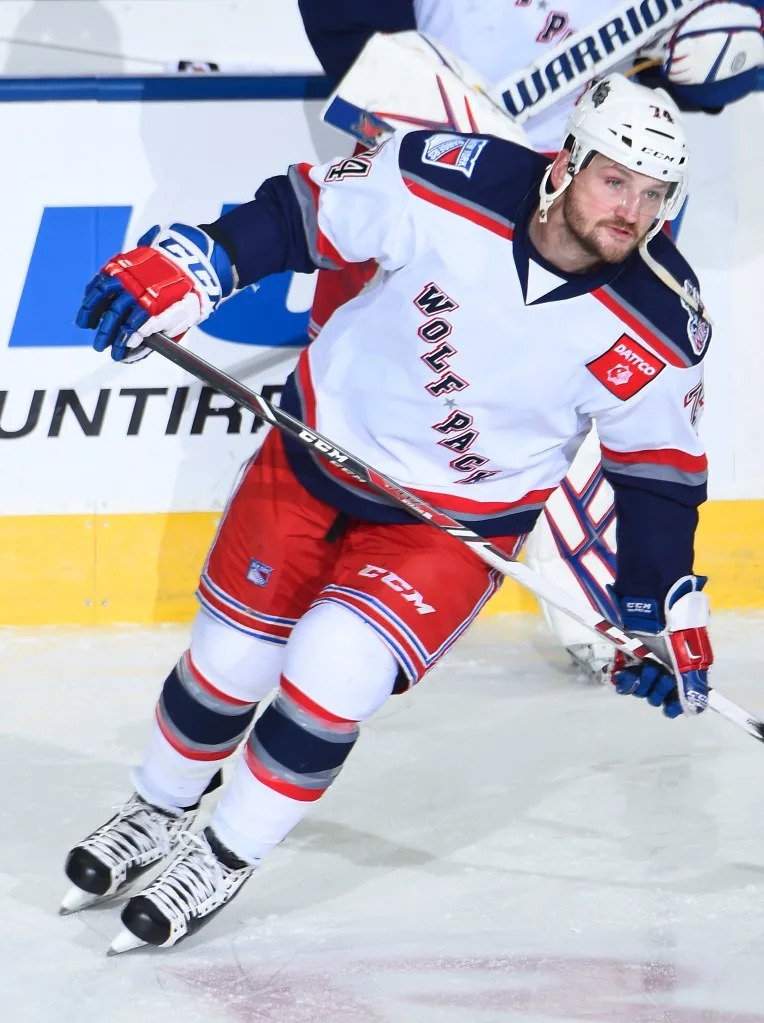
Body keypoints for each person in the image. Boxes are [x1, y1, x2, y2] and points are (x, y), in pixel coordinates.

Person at [65, 73, 713, 953]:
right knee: (226, 665)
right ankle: (156, 806)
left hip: (451, 527)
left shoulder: (662, 320)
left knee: (335, 668)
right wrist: (201, 261)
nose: (631, 211)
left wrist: (651, 607)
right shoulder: (445, 177)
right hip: (313, 456)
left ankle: (222, 852)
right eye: (615, 180)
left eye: (653, 193)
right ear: (567, 163)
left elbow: (658, 476)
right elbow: (303, 215)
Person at [298, 0, 763, 683]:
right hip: (448, 179)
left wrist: (724, 57)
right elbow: (346, 23)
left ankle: (608, 615)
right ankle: (292, 583)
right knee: (356, 390)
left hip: (605, 200)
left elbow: (716, 44)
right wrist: (390, 81)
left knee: (568, 397)